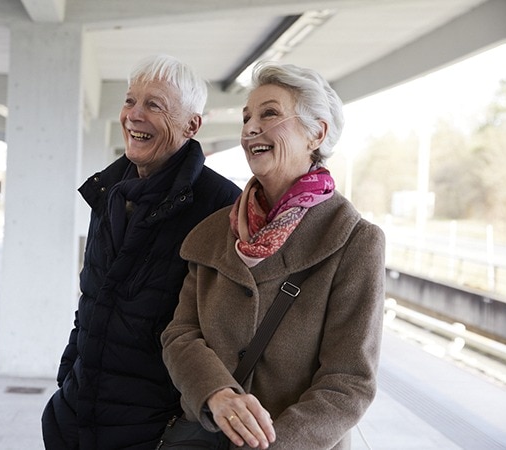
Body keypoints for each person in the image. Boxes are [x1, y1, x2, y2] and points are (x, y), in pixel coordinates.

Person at [161, 61, 386, 450]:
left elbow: (349, 381)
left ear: (317, 132)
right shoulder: (212, 234)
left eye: (270, 114)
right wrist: (217, 393)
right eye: (247, 117)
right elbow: (180, 334)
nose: (250, 128)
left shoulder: (353, 241)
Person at [41, 54, 242, 449]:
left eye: (155, 105)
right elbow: (91, 300)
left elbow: (224, 334)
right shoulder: (109, 192)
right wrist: (67, 379)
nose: (135, 115)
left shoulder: (221, 208)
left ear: (192, 125)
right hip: (75, 418)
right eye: (131, 101)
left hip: (153, 432)